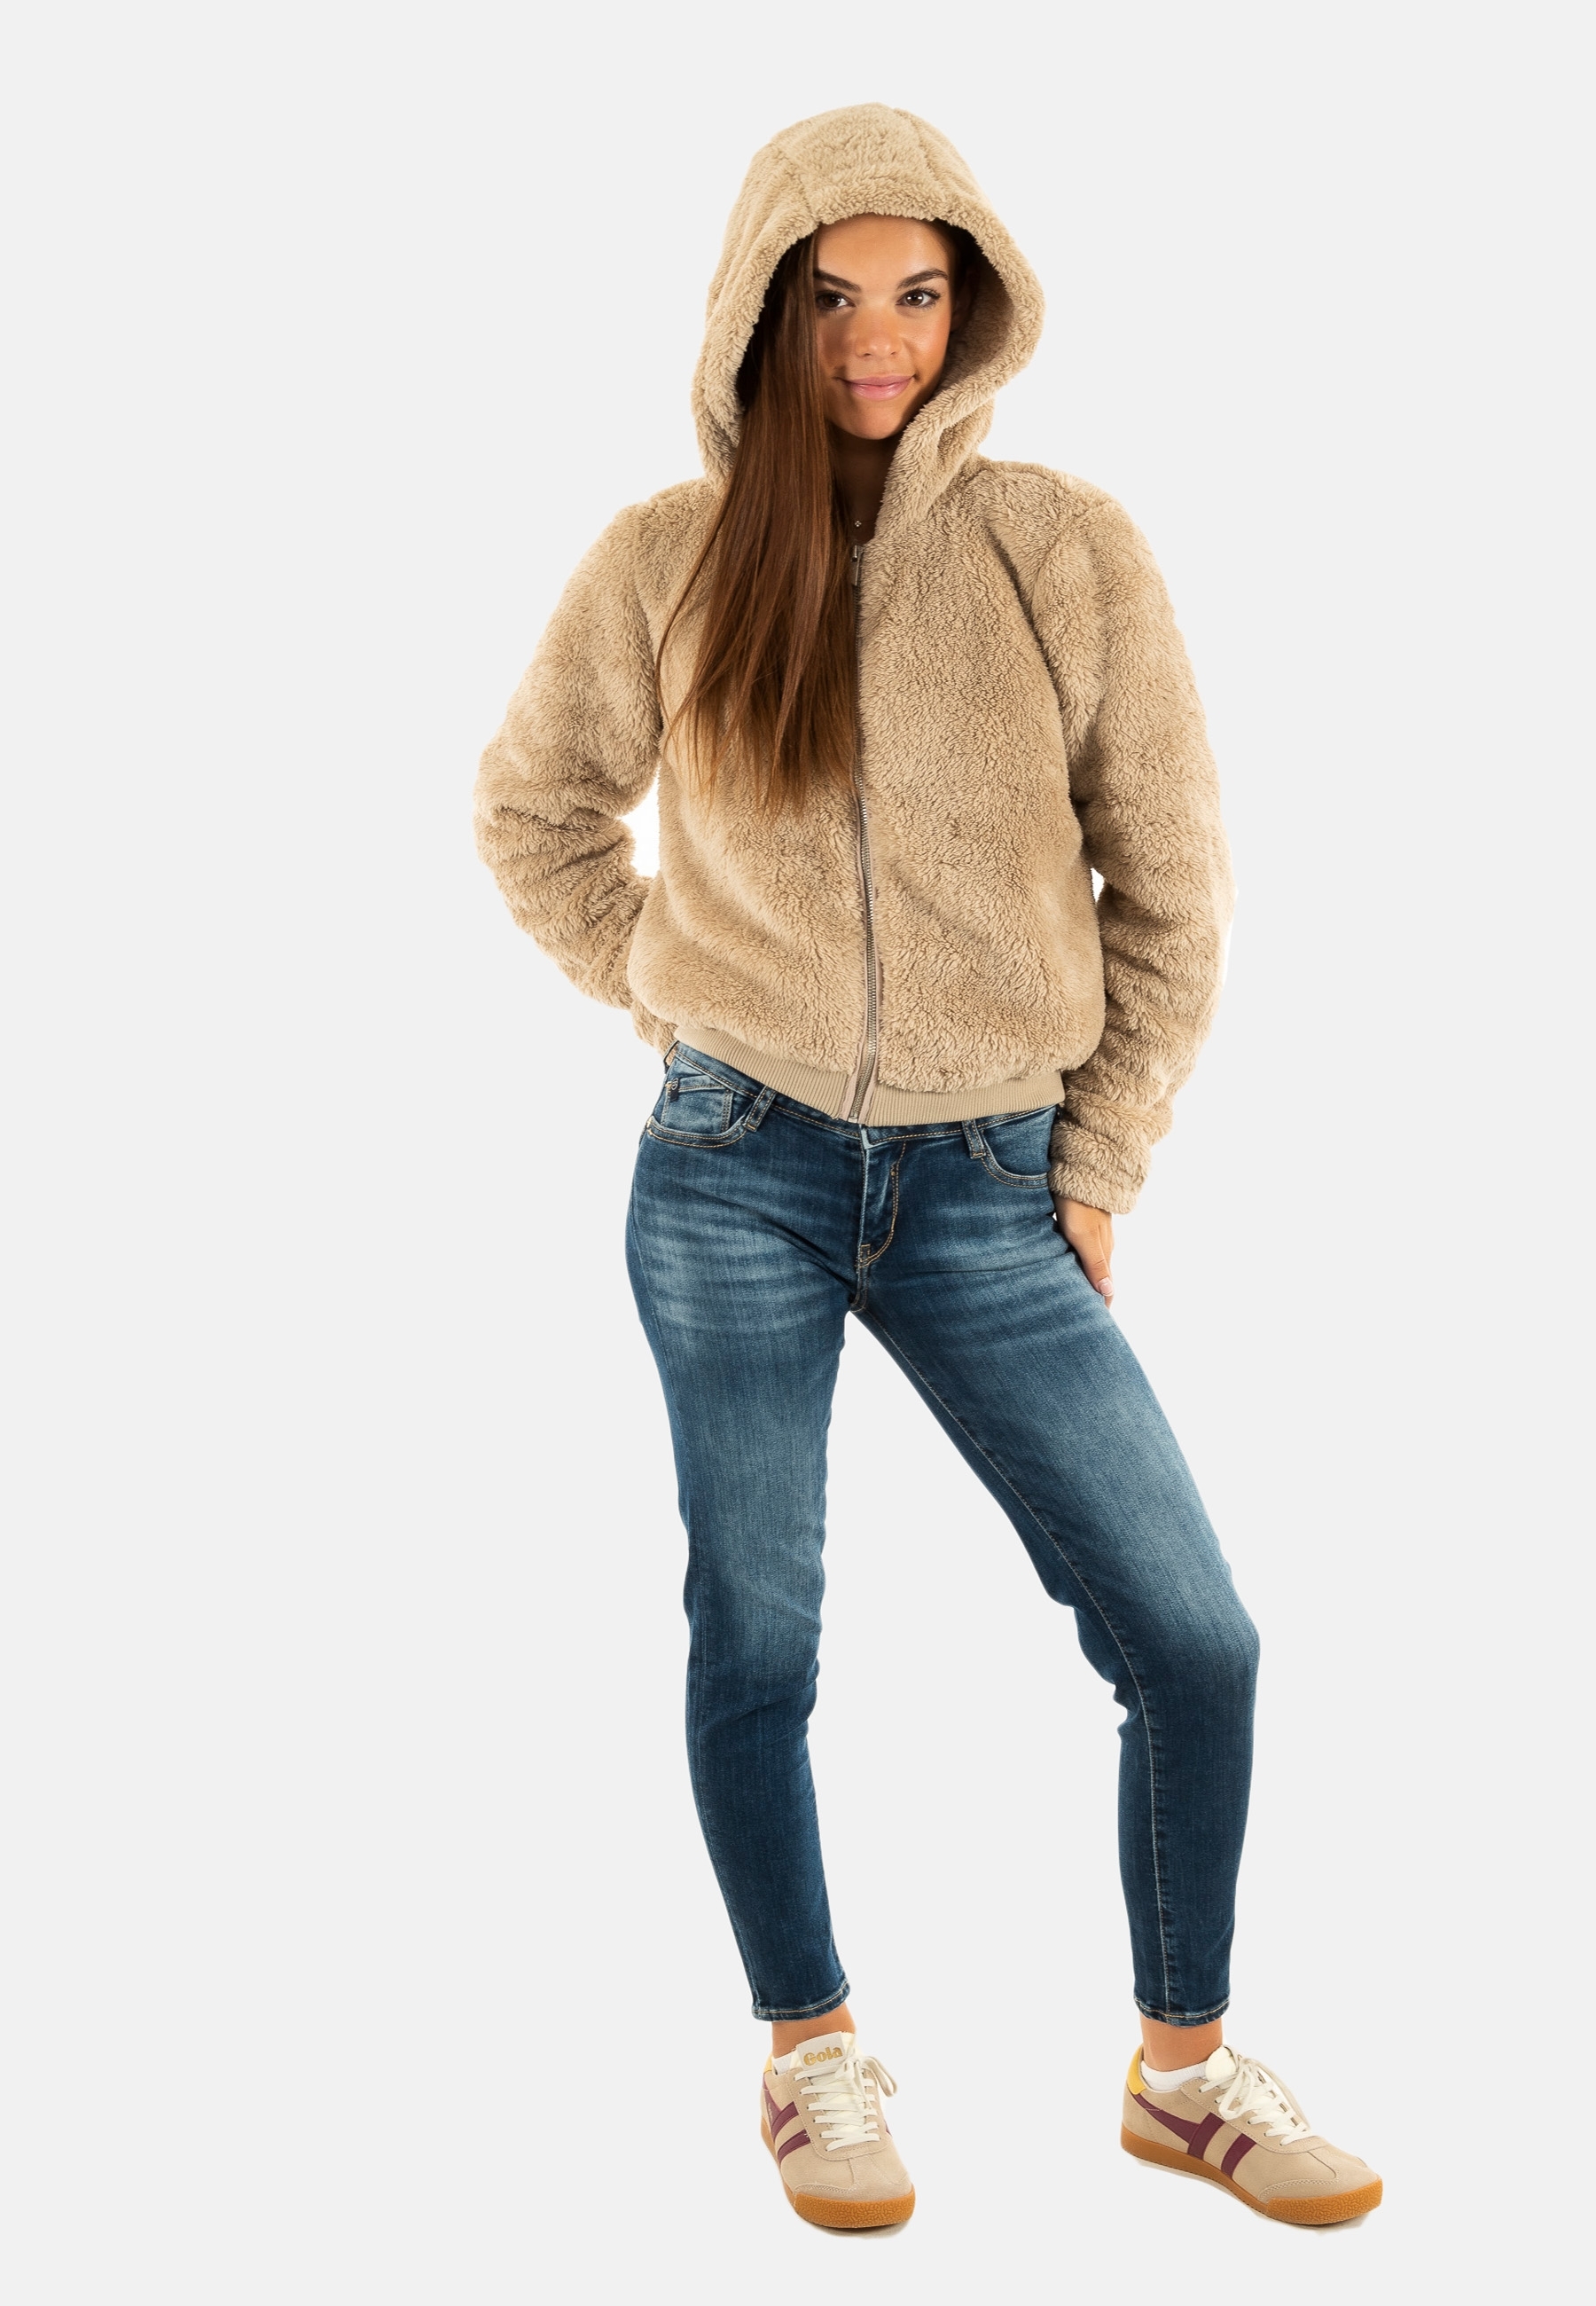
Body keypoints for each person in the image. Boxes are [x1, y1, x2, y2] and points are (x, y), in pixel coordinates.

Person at [475, 104, 1381, 2232]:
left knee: (1194, 1636)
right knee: (759, 1632)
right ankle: (812, 2050)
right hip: (733, 1171)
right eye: (831, 294)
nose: (877, 337)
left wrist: (1102, 1151)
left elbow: (1174, 882)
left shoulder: (1065, 549)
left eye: (916, 290)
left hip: (991, 1180)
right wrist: (683, 998)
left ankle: (1183, 2073)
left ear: (972, 306)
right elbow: (533, 815)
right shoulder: (667, 557)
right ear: (761, 308)